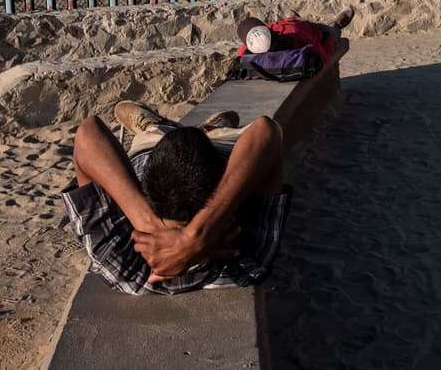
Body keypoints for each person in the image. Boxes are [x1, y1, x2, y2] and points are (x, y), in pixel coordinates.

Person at [60, 39, 347, 295]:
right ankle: (211, 127)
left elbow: (88, 133)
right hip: (221, 153)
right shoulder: (245, 260)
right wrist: (198, 235)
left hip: (153, 154)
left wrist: (147, 223)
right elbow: (267, 132)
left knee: (154, 135)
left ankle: (154, 124)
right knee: (216, 137)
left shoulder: (125, 265)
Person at [236, 7, 354, 65]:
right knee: (329, 31)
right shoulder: (298, 43)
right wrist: (330, 38)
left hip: (294, 27)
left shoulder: (246, 53)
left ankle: (296, 18)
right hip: (303, 29)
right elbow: (323, 55)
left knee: (302, 24)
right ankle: (335, 25)